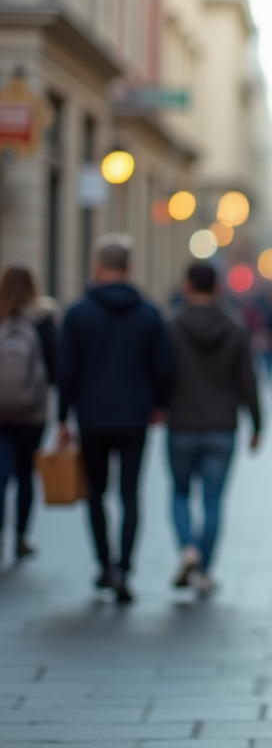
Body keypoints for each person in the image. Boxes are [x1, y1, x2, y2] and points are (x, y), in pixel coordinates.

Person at [58, 234, 174, 604]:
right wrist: (158, 404)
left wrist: (62, 417)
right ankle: (125, 566)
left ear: (97, 266)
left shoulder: (78, 314)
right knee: (130, 494)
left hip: (91, 415)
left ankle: (104, 564)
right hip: (135, 415)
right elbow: (164, 367)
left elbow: (67, 370)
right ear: (130, 268)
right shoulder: (149, 313)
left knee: (95, 493)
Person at [166, 262, 262, 595]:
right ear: (219, 288)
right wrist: (257, 423)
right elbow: (248, 380)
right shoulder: (234, 328)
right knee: (213, 500)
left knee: (179, 492)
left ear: (187, 286)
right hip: (222, 426)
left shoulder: (172, 326)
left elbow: (160, 374)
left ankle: (188, 549)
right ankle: (205, 569)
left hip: (181, 424)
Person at [0, 265, 56, 563]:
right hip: (32, 411)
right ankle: (21, 536)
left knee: (0, 474)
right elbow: (54, 365)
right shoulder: (43, 319)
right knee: (25, 474)